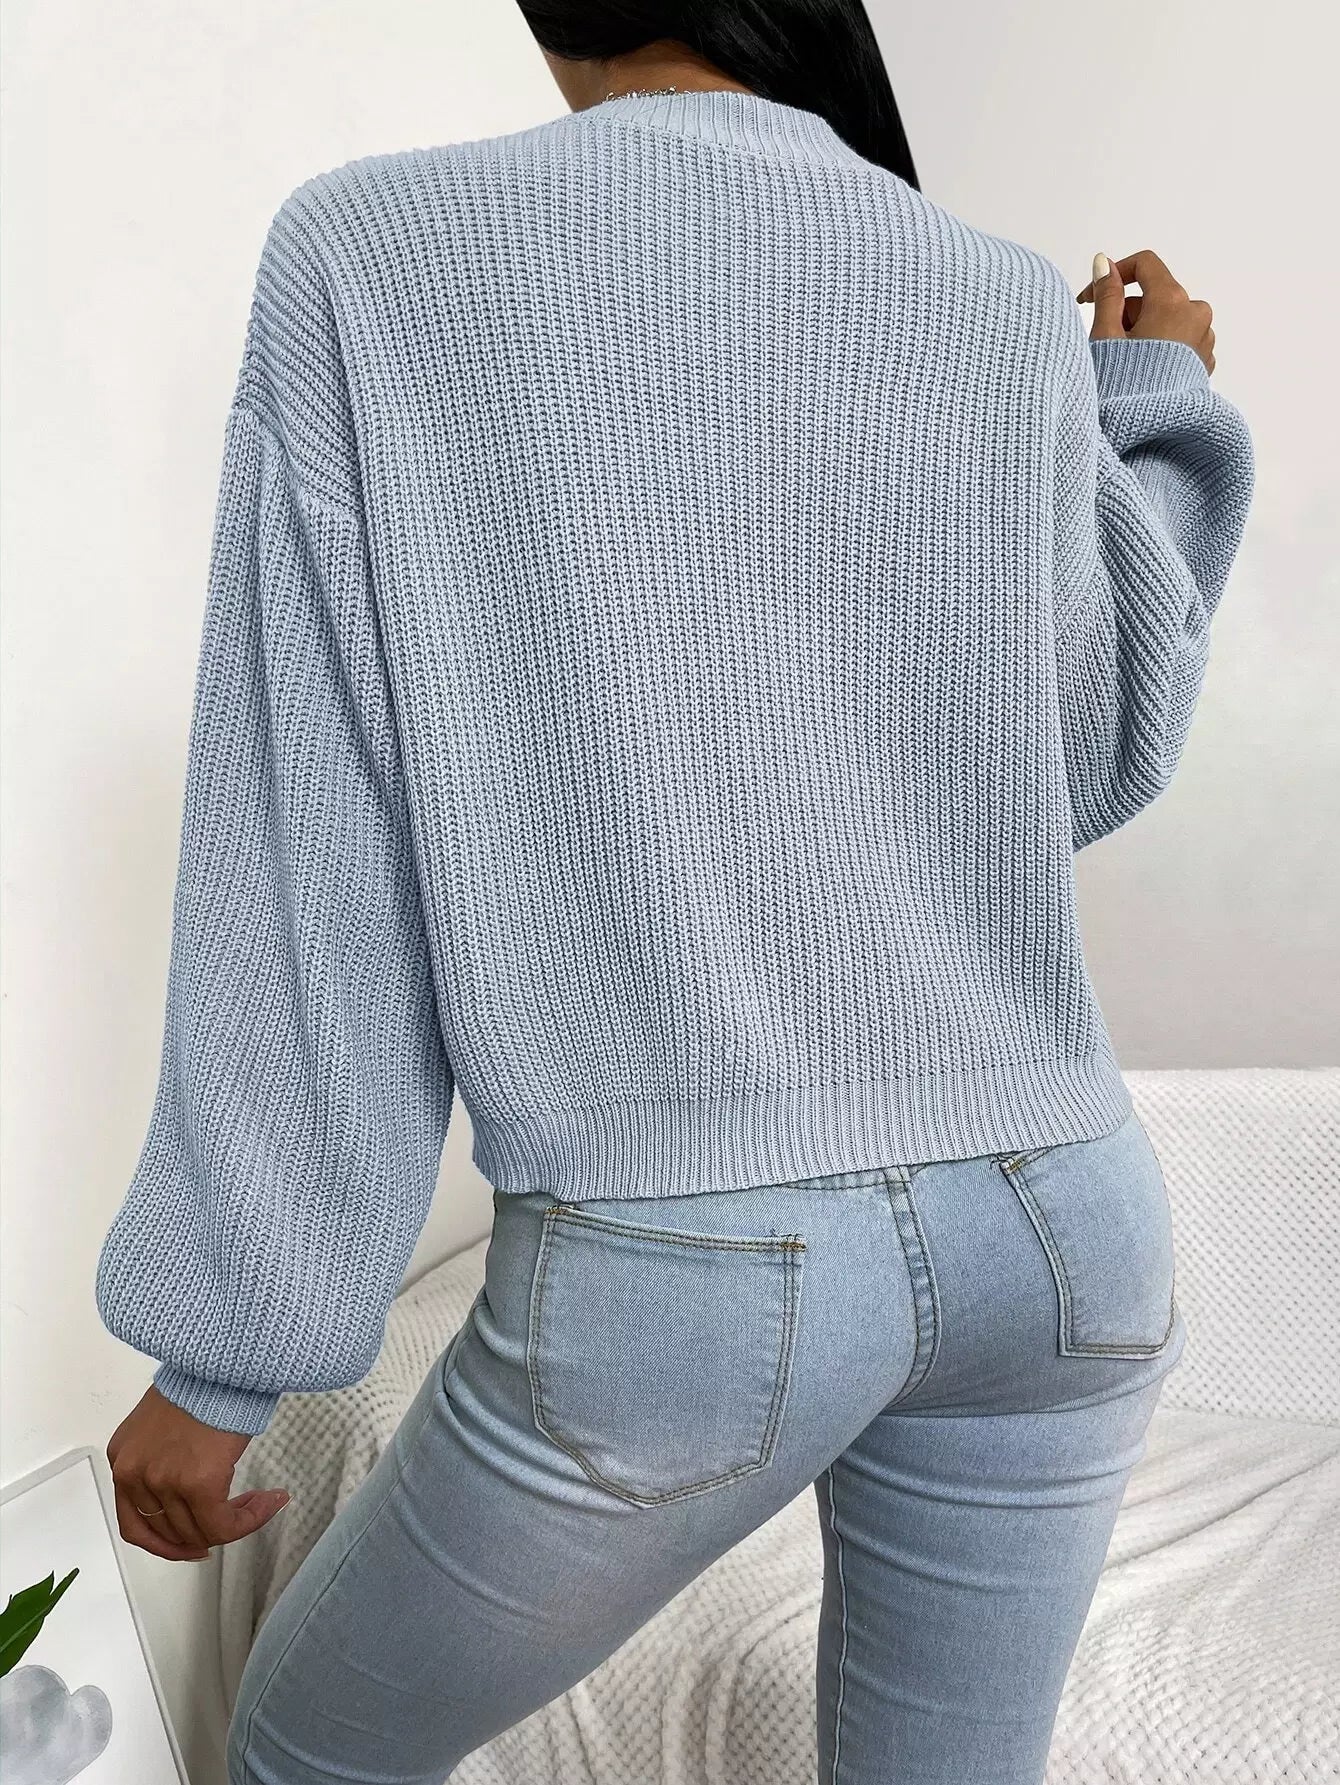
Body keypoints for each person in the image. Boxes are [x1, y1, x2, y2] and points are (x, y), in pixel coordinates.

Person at [93, 4, 1254, 1781]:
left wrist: (224, 1355)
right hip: (1066, 1225)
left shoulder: (375, 256)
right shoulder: (990, 290)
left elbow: (310, 835)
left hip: (692, 1272)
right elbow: (1082, 752)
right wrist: (1152, 406)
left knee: (302, 1757)